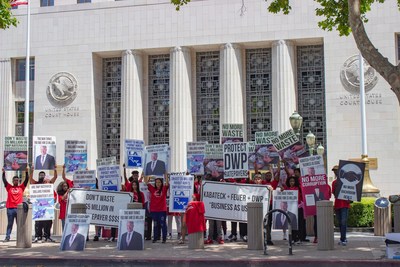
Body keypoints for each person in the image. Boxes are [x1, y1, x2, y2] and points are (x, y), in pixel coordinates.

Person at [30, 166, 58, 243]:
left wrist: (55, 169)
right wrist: (32, 171)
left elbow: (55, 177)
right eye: (40, 175)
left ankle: (47, 236)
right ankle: (38, 236)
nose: (42, 176)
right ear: (39, 176)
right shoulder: (37, 184)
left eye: (43, 175)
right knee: (38, 222)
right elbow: (31, 179)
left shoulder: (49, 184)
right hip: (39, 207)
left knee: (48, 222)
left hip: (47, 207)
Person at [2, 167, 29, 242]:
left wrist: (26, 172)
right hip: (10, 208)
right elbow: (4, 181)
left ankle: (21, 237)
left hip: (19, 209)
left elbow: (26, 180)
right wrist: (3, 173)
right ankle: (7, 237)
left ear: (18, 181)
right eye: (15, 180)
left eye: (17, 180)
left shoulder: (21, 187)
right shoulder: (9, 187)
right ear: (13, 181)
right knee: (10, 224)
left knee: (19, 224)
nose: (16, 181)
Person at [145, 174, 169, 243]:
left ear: (161, 183)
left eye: (159, 182)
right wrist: (147, 174)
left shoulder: (164, 189)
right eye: (157, 182)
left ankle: (164, 238)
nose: (158, 184)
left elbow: (167, 184)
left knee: (162, 224)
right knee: (155, 224)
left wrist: (166, 175)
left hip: (162, 210)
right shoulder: (152, 189)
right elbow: (146, 182)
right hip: (154, 210)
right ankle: (155, 238)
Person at [332, 165, 351, 246]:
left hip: (345, 204)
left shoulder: (347, 181)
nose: (335, 172)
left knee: (343, 222)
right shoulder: (334, 183)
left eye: (336, 170)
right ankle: (342, 238)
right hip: (337, 204)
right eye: (334, 171)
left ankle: (344, 239)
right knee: (340, 223)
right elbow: (334, 194)